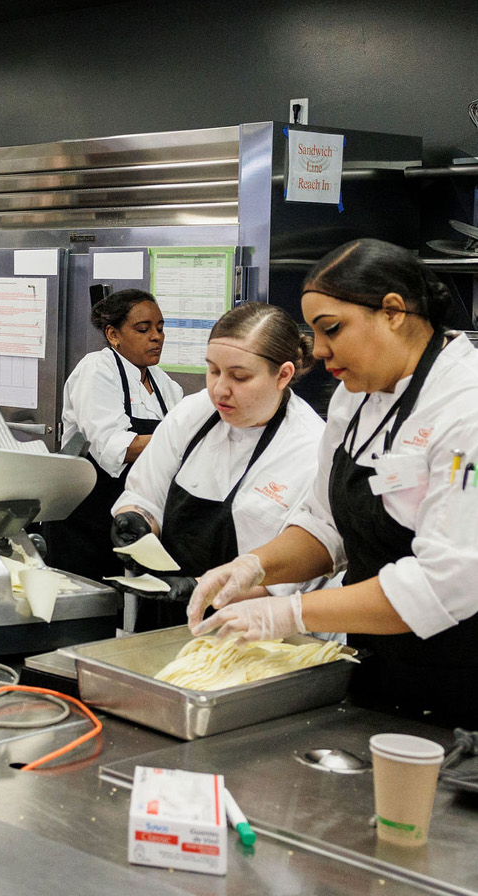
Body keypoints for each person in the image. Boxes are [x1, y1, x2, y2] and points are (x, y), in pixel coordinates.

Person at [190, 239, 478, 727]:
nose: (319, 351)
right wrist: (255, 567)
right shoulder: (353, 397)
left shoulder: (464, 410)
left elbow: (445, 582)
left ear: (393, 312)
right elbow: (324, 524)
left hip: (463, 681)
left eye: (331, 330)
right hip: (378, 663)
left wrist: (289, 615)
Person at [108, 303, 326, 631]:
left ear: (283, 375)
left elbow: (300, 574)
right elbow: (147, 492)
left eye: (239, 376)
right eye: (213, 371)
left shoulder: (311, 448)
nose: (220, 389)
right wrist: (137, 520)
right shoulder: (192, 415)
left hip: (257, 630)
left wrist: (202, 589)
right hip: (168, 616)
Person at [47, 289, 184, 582]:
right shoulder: (97, 369)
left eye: (160, 328)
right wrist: (182, 439)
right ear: (113, 334)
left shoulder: (165, 384)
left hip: (135, 522)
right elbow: (119, 449)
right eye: (143, 329)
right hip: (85, 523)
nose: (156, 337)